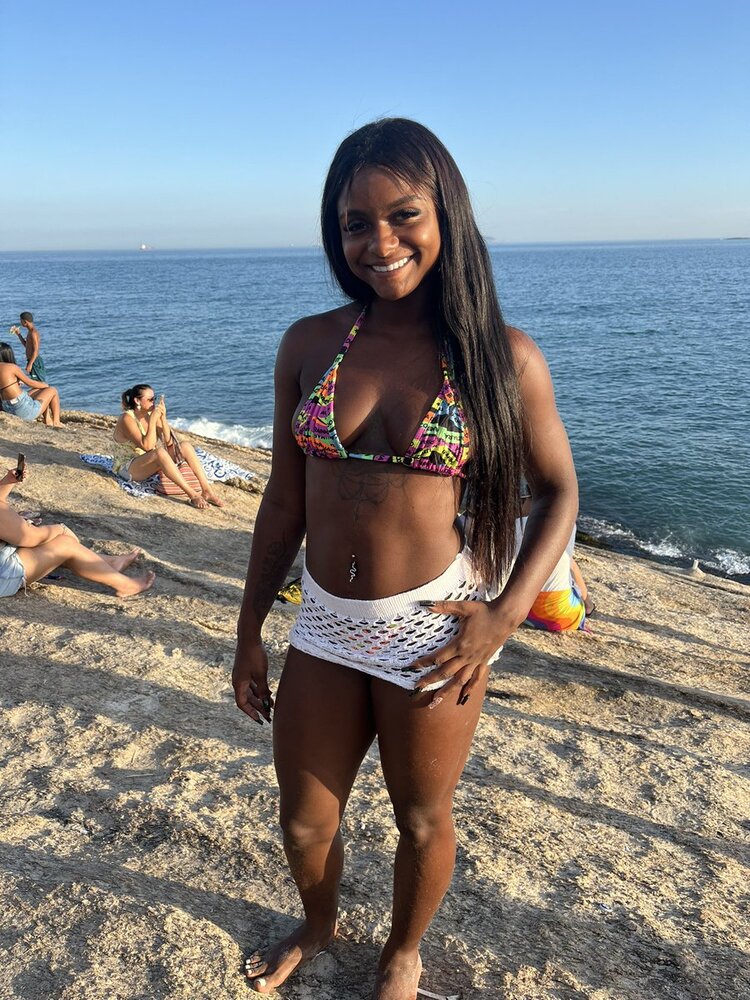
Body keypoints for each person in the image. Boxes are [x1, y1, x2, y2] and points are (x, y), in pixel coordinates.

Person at [232, 118, 579, 1000]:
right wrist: (247, 632)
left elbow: (557, 493)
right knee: (304, 823)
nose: (379, 243)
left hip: (431, 630)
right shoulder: (310, 343)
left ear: (445, 215)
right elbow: (282, 502)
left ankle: (403, 954)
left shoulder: (502, 357)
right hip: (323, 623)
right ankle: (318, 925)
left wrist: (502, 617)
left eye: (403, 216)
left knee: (422, 819)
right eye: (356, 223)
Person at [0, 461, 155, 598]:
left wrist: (7, 482)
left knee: (52, 540)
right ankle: (125, 585)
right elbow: (30, 537)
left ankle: (107, 563)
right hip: (4, 575)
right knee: (64, 544)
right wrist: (60, 529)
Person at [113, 384, 224, 509]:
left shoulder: (150, 415)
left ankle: (207, 491)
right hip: (127, 468)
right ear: (137, 401)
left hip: (147, 463)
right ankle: (193, 495)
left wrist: (163, 418)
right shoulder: (127, 418)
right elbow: (148, 446)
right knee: (159, 452)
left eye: (154, 399)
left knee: (185, 446)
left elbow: (169, 443)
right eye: (150, 399)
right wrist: (153, 420)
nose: (153, 402)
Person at [518, 495, 594, 631]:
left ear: (529, 498)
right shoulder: (564, 524)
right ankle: (589, 606)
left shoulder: (514, 525)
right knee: (569, 563)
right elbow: (569, 564)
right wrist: (587, 604)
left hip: (520, 612)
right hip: (561, 618)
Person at [0, 342, 62, 426]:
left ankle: (47, 420)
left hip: (7, 408)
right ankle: (56, 422)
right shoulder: (11, 367)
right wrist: (45, 385)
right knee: (52, 390)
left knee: (38, 390)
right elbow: (31, 383)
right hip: (23, 410)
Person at [11, 311, 47, 383]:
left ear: (25, 322)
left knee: (38, 382)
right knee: (34, 382)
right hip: (31, 360)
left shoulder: (33, 333)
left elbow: (36, 350)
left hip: (34, 361)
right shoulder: (30, 332)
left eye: (21, 321)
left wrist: (30, 364)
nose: (20, 323)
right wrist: (19, 335)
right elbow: (26, 345)